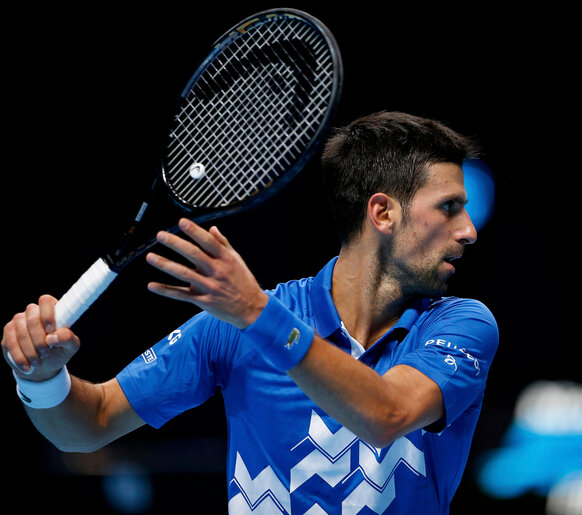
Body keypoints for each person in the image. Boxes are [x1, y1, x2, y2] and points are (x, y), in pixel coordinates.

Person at [3, 111, 499, 514]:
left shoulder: (459, 325)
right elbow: (91, 423)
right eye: (450, 207)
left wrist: (259, 315)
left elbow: (388, 414)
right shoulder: (239, 323)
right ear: (382, 213)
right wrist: (45, 382)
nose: (469, 231)